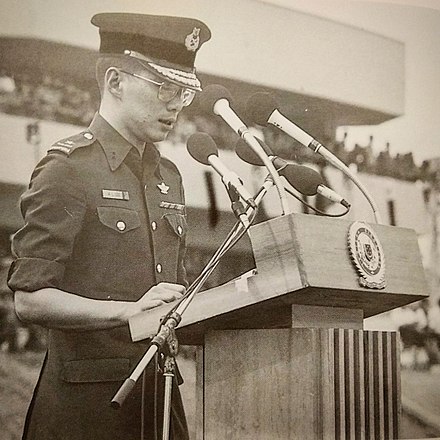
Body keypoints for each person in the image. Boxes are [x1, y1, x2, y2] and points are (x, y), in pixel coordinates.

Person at [7, 12, 211, 440]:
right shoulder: (68, 169)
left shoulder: (169, 176)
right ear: (116, 81)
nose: (175, 104)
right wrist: (126, 312)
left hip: (160, 402)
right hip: (87, 411)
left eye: (184, 93)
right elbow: (30, 299)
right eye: (165, 87)